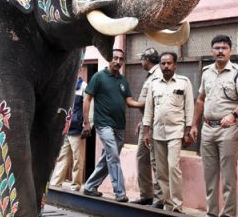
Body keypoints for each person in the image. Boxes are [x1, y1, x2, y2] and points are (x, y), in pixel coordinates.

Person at [190, 35, 238, 217]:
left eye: (224, 48)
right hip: (207, 129)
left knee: (228, 177)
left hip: (228, 130)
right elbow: (200, 100)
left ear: (230, 50)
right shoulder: (206, 72)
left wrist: (233, 115)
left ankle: (228, 214)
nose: (220, 51)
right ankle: (211, 213)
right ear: (212, 50)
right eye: (217, 48)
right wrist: (194, 125)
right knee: (209, 175)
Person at [82, 49, 144, 202]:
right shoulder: (98, 77)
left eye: (121, 59)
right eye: (115, 58)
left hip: (120, 126)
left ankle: (90, 186)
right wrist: (87, 122)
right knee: (114, 156)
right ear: (109, 59)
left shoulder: (123, 81)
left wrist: (145, 103)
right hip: (104, 125)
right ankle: (120, 192)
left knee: (108, 157)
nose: (117, 62)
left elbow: (129, 101)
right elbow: (87, 99)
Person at [143, 52, 194, 213]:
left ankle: (177, 205)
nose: (166, 66)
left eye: (169, 63)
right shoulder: (153, 84)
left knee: (173, 167)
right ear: (160, 65)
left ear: (175, 65)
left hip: (175, 132)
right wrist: (146, 131)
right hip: (157, 132)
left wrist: (188, 130)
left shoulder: (184, 82)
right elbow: (149, 109)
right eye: (163, 63)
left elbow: (189, 108)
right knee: (161, 171)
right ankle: (168, 204)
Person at [132, 47, 163, 206]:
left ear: (148, 59)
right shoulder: (151, 75)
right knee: (142, 158)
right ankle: (147, 195)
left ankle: (159, 198)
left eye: (142, 58)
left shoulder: (157, 75)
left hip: (154, 125)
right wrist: (142, 120)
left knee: (155, 161)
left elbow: (152, 102)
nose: (141, 61)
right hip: (147, 121)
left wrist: (130, 103)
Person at [50, 73, 87, 190]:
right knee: (62, 156)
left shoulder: (84, 87)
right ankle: (56, 182)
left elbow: (88, 105)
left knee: (77, 158)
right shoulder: (65, 85)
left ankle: (76, 185)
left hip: (77, 128)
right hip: (65, 128)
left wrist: (87, 123)